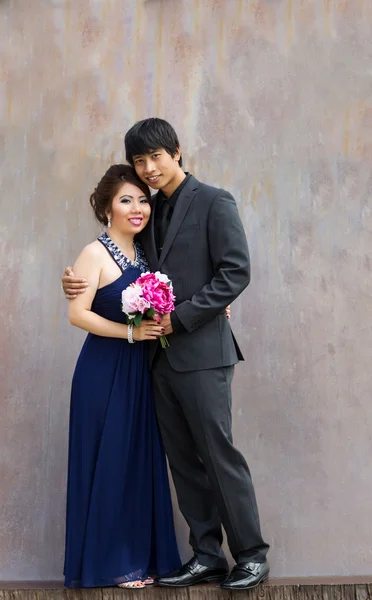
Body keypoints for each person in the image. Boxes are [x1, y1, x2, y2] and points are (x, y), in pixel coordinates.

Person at [62, 118, 270, 590]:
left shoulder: (215, 201)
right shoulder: (148, 211)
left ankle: (252, 555)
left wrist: (186, 316)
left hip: (202, 354)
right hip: (155, 362)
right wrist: (74, 282)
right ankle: (206, 555)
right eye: (140, 160)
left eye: (156, 156)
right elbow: (126, 269)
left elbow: (235, 273)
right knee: (183, 461)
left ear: (177, 152)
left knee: (218, 457)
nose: (149, 168)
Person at [63, 164, 181, 589]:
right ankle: (110, 563)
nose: (137, 208)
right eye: (126, 200)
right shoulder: (94, 253)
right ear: (107, 208)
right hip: (103, 371)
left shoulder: (149, 252)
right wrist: (131, 332)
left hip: (140, 374)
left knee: (138, 463)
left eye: (143, 199)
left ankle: (142, 557)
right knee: (109, 462)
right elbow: (78, 315)